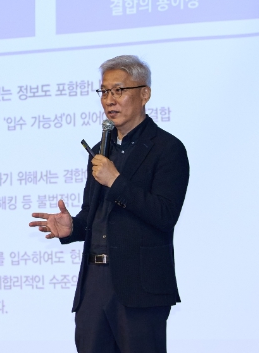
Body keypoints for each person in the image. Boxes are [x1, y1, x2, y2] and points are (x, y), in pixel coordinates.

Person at [29, 55, 190, 353]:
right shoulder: (101, 151)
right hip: (94, 285)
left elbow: (165, 214)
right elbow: (95, 214)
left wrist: (116, 181)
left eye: (119, 90)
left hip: (140, 289)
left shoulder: (167, 149)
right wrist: (73, 227)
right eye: (104, 92)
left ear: (144, 94)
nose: (109, 100)